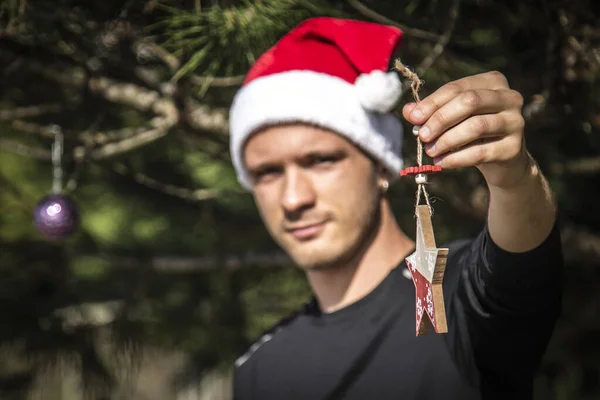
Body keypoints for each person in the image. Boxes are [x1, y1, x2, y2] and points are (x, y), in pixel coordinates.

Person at [227, 17, 564, 400]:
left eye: (320, 161)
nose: (293, 199)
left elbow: (522, 253)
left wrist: (514, 176)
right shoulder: (260, 368)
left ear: (381, 166)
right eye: (267, 173)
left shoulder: (460, 293)